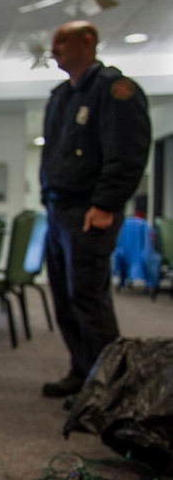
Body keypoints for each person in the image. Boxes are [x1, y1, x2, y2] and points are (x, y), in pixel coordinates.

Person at [40, 20, 151, 400]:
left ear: (87, 42)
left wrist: (106, 203)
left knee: (89, 298)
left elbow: (128, 152)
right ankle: (82, 372)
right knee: (65, 299)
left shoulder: (114, 90)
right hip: (58, 212)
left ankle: (109, 389)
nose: (53, 49)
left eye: (61, 41)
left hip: (89, 212)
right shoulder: (61, 96)